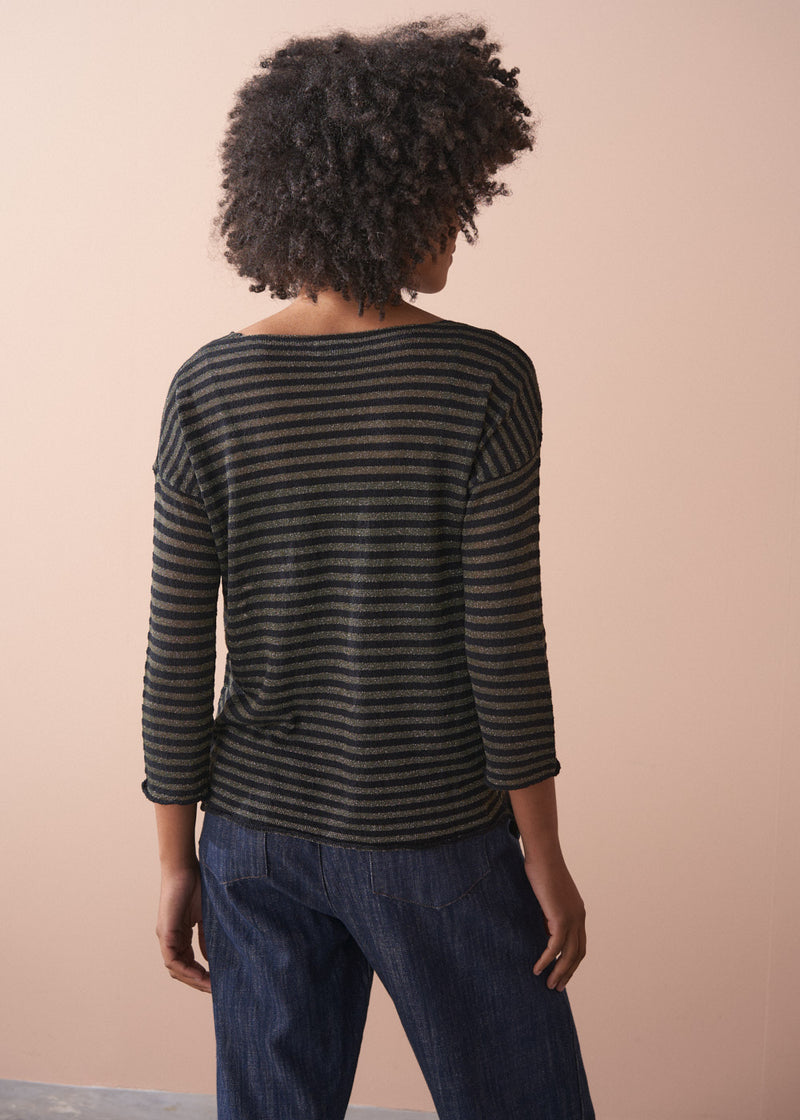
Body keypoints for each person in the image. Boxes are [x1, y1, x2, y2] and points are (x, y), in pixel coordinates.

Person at [142, 16, 595, 1120]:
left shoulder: (207, 388)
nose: (460, 225)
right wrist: (541, 849)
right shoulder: (481, 378)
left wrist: (175, 858)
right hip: (434, 833)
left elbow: (173, 652)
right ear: (398, 195)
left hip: (252, 837)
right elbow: (501, 638)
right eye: (454, 197)